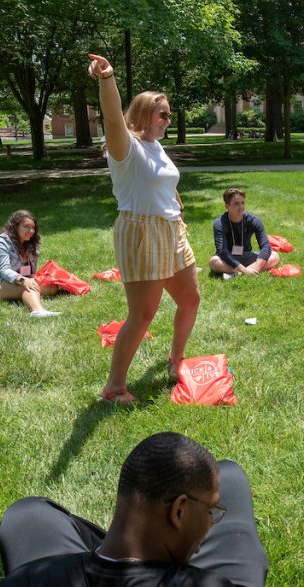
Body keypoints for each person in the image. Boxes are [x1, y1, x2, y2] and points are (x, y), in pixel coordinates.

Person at [0, 431, 268, 587]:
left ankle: (107, 550)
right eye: (211, 510)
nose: (212, 521)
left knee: (27, 514)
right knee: (229, 474)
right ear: (179, 511)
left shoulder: (26, 581)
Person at [88, 54, 200, 405]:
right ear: (143, 114)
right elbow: (111, 116)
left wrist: (175, 202)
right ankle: (114, 388)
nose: (169, 119)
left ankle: (175, 361)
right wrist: (108, 79)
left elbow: (161, 180)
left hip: (170, 230)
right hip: (141, 231)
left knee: (190, 299)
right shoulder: (126, 147)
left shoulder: (155, 145)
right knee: (143, 314)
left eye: (169, 114)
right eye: (163, 114)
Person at [0, 210, 61, 318]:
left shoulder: (31, 242)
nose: (31, 231)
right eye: (26, 226)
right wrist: (23, 280)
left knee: (52, 287)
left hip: (18, 280)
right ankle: (37, 311)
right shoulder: (1, 242)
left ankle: (6, 298)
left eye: (33, 227)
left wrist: (33, 279)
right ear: (15, 226)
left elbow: (31, 271)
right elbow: (4, 270)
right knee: (29, 287)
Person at [208, 189, 280, 277]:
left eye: (242, 203)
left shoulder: (253, 220)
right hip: (228, 258)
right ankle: (246, 272)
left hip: (246, 254)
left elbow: (265, 246)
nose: (241, 206)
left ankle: (240, 273)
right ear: (227, 206)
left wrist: (257, 266)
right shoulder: (219, 223)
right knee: (214, 262)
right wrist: (244, 269)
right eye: (236, 203)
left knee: (275, 256)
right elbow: (222, 251)